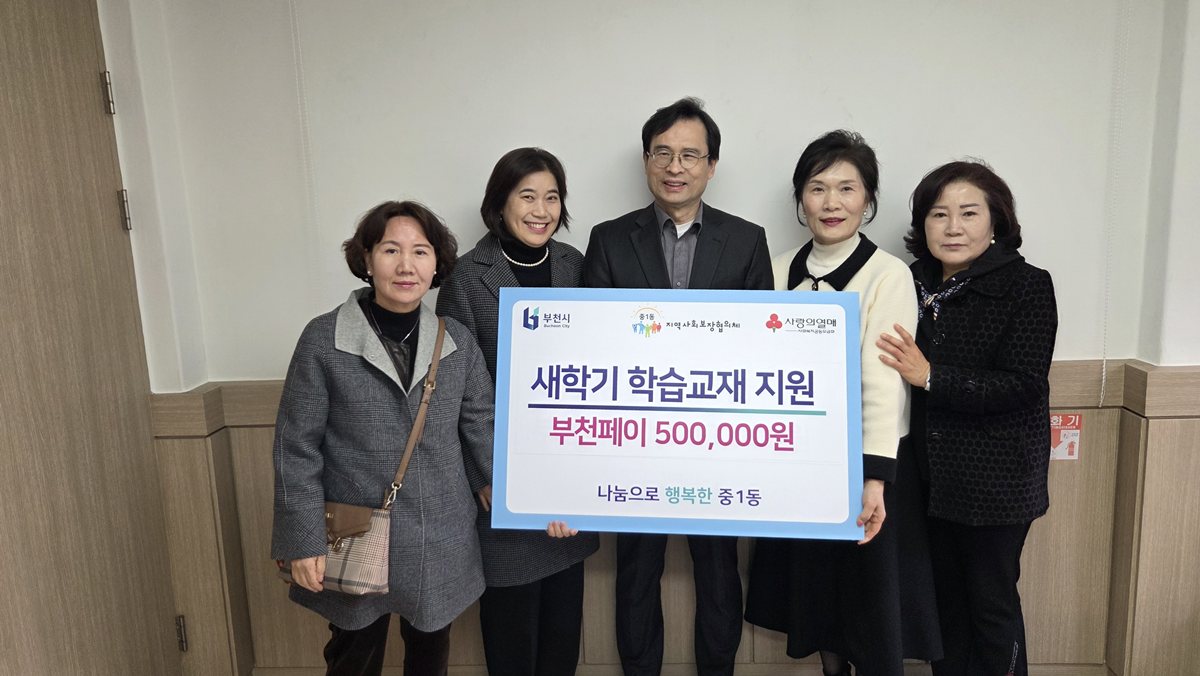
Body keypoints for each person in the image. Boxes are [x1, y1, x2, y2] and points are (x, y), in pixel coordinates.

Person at [583, 96, 772, 676]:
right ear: (646, 160)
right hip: (635, 440)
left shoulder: (746, 240)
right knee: (637, 572)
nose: (675, 166)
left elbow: (762, 348)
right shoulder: (610, 239)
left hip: (717, 442)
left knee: (718, 571)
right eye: (662, 152)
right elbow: (592, 341)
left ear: (711, 166)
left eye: (690, 155)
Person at [744, 130, 941, 676]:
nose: (831, 203)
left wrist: (873, 478)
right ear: (800, 200)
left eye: (847, 188)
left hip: (866, 465)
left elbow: (883, 383)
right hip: (798, 460)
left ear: (867, 200)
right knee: (818, 600)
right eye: (817, 188)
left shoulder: (888, 275)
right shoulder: (775, 269)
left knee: (868, 603)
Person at [271, 200, 495, 676]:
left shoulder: (457, 341)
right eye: (391, 250)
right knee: (354, 658)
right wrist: (303, 541)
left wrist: (502, 487)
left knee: (430, 658)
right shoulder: (323, 338)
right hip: (352, 532)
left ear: (436, 264)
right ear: (367, 260)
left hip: (439, 533)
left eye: (420, 251)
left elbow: (479, 426)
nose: (406, 265)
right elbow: (296, 448)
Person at [876, 160, 1058, 676]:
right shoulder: (909, 282)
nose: (953, 227)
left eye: (969, 213)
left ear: (996, 220)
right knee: (944, 607)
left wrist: (931, 376)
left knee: (991, 605)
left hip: (996, 484)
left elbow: (1023, 384)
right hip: (927, 480)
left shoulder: (1027, 285)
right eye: (939, 214)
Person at [436, 147, 599, 675]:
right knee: (512, 639)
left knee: (561, 635)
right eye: (527, 196)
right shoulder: (467, 277)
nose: (541, 210)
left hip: (568, 480)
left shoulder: (576, 265)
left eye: (552, 197)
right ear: (500, 203)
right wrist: (489, 476)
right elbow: (457, 392)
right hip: (503, 484)